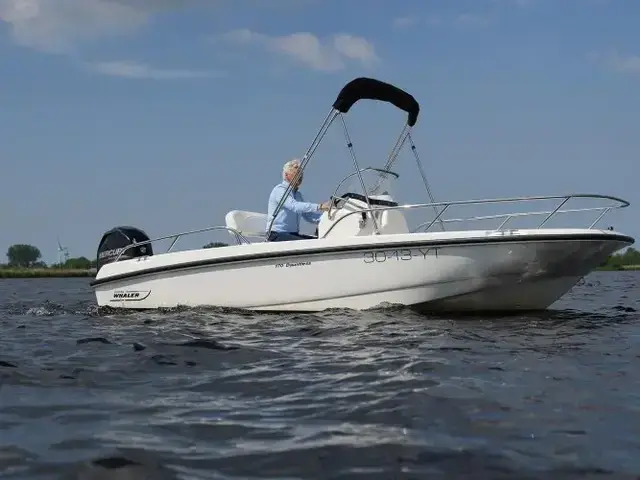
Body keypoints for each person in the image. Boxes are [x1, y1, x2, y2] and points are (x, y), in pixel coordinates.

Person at [266, 159, 331, 241]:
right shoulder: (280, 190)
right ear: (286, 175)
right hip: (277, 235)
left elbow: (309, 216)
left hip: (292, 234)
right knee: (308, 243)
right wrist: (320, 206)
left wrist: (329, 217)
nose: (300, 176)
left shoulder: (298, 195)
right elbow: (294, 206)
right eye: (297, 174)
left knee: (318, 241)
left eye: (301, 174)